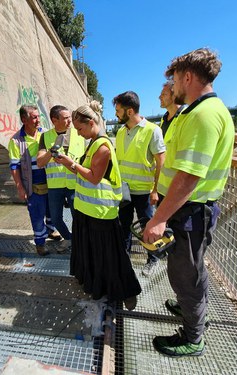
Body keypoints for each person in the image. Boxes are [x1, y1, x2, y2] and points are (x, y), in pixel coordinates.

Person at [143, 48, 234, 357]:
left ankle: (193, 337)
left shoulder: (204, 115)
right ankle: (188, 308)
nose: (173, 87)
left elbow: (189, 177)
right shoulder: (194, 112)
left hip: (193, 210)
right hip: (187, 209)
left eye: (174, 80)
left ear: (187, 76)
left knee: (186, 275)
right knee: (189, 270)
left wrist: (158, 219)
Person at [53, 101, 141, 309]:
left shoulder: (102, 146)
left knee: (110, 256)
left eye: (80, 129)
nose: (79, 133)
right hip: (87, 211)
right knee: (92, 252)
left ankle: (124, 291)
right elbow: (86, 172)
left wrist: (70, 163)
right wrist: (69, 163)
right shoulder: (92, 143)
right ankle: (95, 284)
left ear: (91, 122)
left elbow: (93, 177)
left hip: (101, 214)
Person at [112, 91, 166, 277]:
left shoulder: (152, 130)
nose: (116, 114)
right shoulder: (120, 132)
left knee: (148, 228)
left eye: (118, 110)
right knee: (124, 225)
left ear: (129, 111)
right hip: (124, 190)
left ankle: (153, 260)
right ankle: (124, 260)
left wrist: (155, 190)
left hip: (144, 191)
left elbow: (161, 162)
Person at [8, 105, 61, 257]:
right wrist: (20, 187)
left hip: (51, 180)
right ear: (24, 120)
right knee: (37, 213)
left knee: (52, 208)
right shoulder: (16, 140)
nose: (39, 120)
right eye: (35, 117)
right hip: (33, 183)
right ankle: (40, 243)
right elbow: (14, 166)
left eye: (39, 116)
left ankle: (51, 230)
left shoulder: (45, 133)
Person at [37, 105, 86, 253]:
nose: (69, 121)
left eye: (69, 117)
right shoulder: (45, 137)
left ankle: (80, 242)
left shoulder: (79, 134)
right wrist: (52, 151)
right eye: (65, 118)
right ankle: (69, 239)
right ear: (54, 120)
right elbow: (40, 162)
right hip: (55, 186)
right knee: (56, 218)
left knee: (78, 218)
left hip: (75, 184)